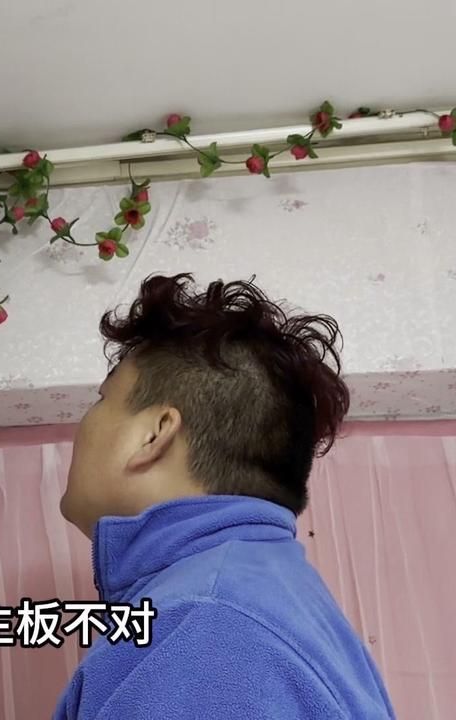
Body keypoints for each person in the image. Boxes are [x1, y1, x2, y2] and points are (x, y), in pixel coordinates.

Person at [55, 273, 395, 719]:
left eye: (101, 400)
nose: (82, 426)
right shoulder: (261, 596)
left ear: (154, 434)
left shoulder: (201, 623)